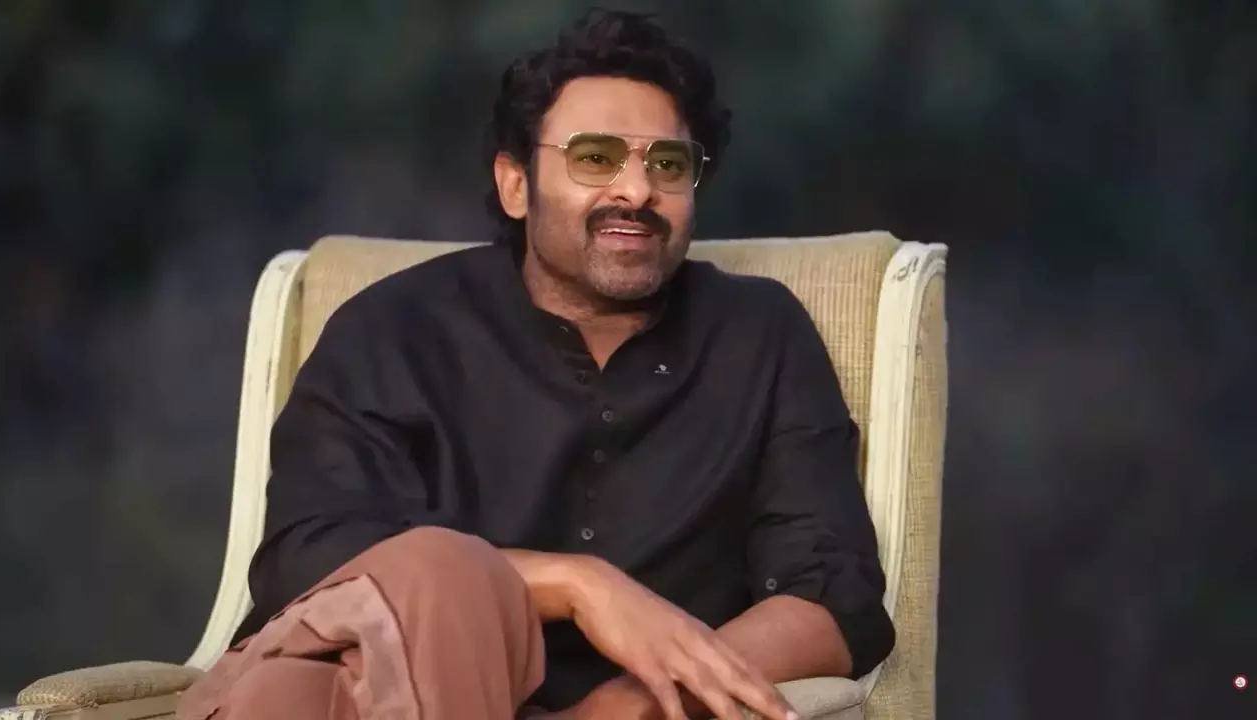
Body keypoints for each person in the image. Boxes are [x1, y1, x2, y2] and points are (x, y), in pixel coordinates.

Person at [177, 8, 894, 720]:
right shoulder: (393, 329)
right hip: (379, 691)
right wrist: (576, 587)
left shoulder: (759, 336)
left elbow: (835, 599)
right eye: (595, 158)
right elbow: (309, 561)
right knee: (405, 594)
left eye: (668, 165)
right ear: (515, 185)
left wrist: (626, 703)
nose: (636, 191)